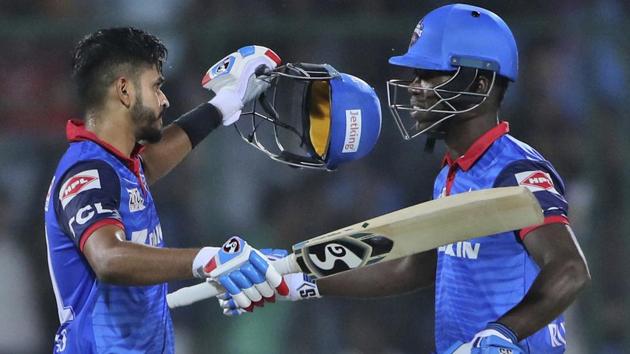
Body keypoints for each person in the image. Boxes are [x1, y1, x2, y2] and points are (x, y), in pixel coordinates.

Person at [220, 4, 591, 353]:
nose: (414, 86)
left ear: (479, 85)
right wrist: (295, 278)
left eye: (429, 74)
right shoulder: (451, 173)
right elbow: (410, 268)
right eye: (415, 74)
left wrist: (503, 333)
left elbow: (570, 268)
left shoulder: (516, 172)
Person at [44, 27, 289, 353]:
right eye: (156, 86)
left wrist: (223, 105)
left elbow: (154, 160)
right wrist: (210, 259)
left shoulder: (120, 166)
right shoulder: (88, 172)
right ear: (124, 91)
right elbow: (108, 258)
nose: (165, 99)